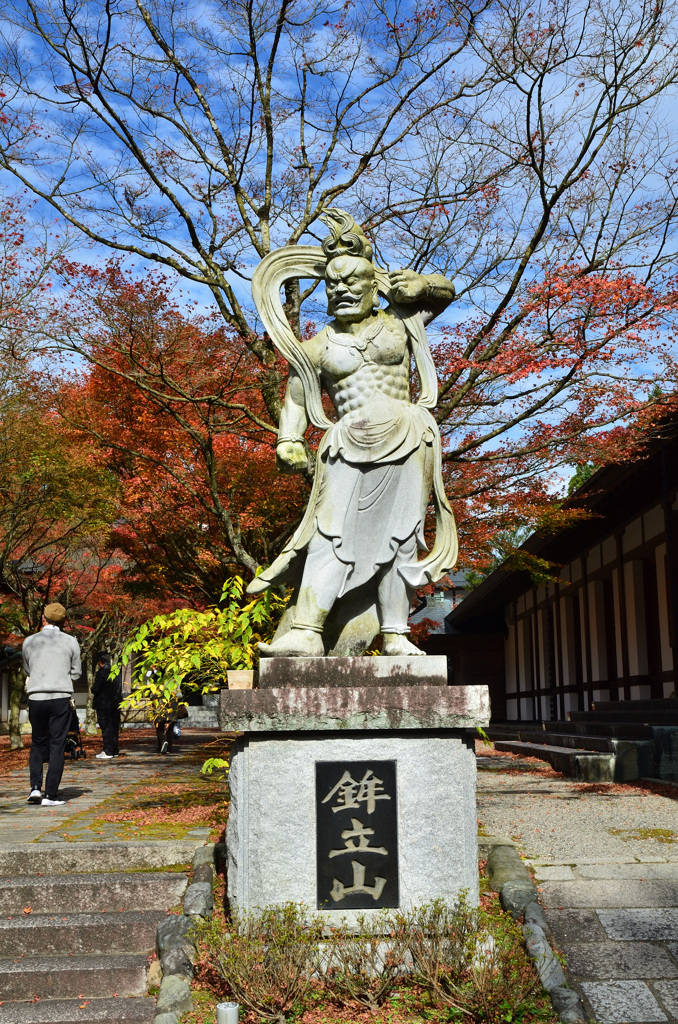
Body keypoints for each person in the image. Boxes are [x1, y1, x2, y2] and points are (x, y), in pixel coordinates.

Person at [249, 208, 458, 657]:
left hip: (406, 435)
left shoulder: (401, 324)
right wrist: (288, 439)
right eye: (332, 285)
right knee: (328, 533)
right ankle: (306, 630)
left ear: (373, 287)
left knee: (402, 536)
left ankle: (396, 634)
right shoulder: (318, 345)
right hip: (345, 444)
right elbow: (296, 395)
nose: (341, 291)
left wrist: (422, 286)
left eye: (351, 283)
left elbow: (444, 292)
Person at [22, 601, 82, 805]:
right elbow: (76, 672)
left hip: (37, 697)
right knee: (57, 744)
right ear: (63, 621)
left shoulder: (29, 641)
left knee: (38, 742)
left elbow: (27, 669)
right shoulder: (71, 641)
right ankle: (51, 794)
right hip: (60, 696)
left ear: (43, 618)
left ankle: (35, 788)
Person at [92, 653, 123, 759]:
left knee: (106, 728)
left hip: (104, 703)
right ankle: (114, 750)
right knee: (114, 727)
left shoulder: (102, 672)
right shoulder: (116, 671)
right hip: (115, 703)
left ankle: (108, 750)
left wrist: (93, 688)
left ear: (100, 662)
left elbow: (96, 688)